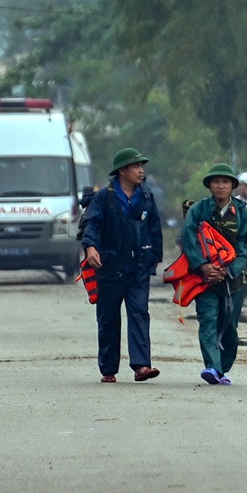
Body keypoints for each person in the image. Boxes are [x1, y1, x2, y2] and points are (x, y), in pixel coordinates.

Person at [80, 148, 163, 383]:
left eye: (141, 166)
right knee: (108, 318)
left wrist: (155, 255)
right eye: (136, 166)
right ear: (122, 171)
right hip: (110, 266)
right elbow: (91, 225)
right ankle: (108, 368)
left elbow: (154, 227)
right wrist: (91, 247)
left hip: (138, 268)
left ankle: (142, 366)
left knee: (139, 313)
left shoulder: (146, 196)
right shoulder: (103, 197)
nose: (141, 171)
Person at [182, 163, 247, 385]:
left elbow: (246, 245)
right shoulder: (198, 210)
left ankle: (222, 367)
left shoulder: (243, 212)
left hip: (234, 281)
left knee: (230, 325)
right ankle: (212, 367)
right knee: (208, 321)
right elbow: (189, 240)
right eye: (216, 182)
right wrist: (203, 266)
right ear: (210, 186)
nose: (220, 186)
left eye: (225, 182)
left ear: (233, 186)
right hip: (205, 280)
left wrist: (229, 270)